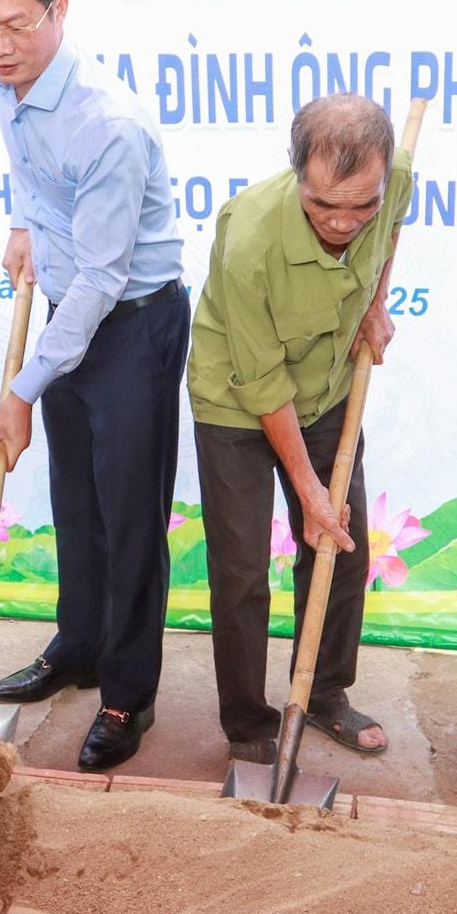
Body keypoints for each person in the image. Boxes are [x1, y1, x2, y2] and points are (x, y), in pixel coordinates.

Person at [0, 0, 189, 773]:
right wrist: (25, 222)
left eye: (15, 26)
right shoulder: (9, 82)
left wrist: (21, 388)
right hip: (70, 316)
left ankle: (128, 691)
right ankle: (79, 642)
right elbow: (29, 168)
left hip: (131, 323)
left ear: (60, 9)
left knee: (129, 516)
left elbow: (101, 279)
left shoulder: (107, 124)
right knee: (75, 498)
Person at [189, 94, 410, 764]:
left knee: (341, 545)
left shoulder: (396, 182)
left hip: (329, 385)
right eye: (322, 205)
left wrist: (373, 302)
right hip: (236, 398)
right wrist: (309, 490)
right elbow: (260, 382)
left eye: (360, 205)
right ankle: (247, 720)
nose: (343, 222)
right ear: (296, 176)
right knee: (241, 567)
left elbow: (390, 229)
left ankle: (322, 693)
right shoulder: (250, 235)